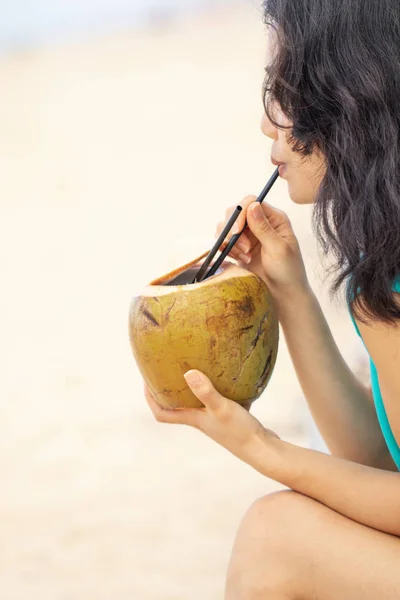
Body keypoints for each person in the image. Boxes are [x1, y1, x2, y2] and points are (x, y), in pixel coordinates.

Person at [144, 0, 400, 597]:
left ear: (348, 94)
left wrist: (263, 448)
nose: (268, 123)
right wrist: (290, 290)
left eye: (282, 91)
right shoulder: (381, 270)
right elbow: (376, 464)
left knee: (276, 536)